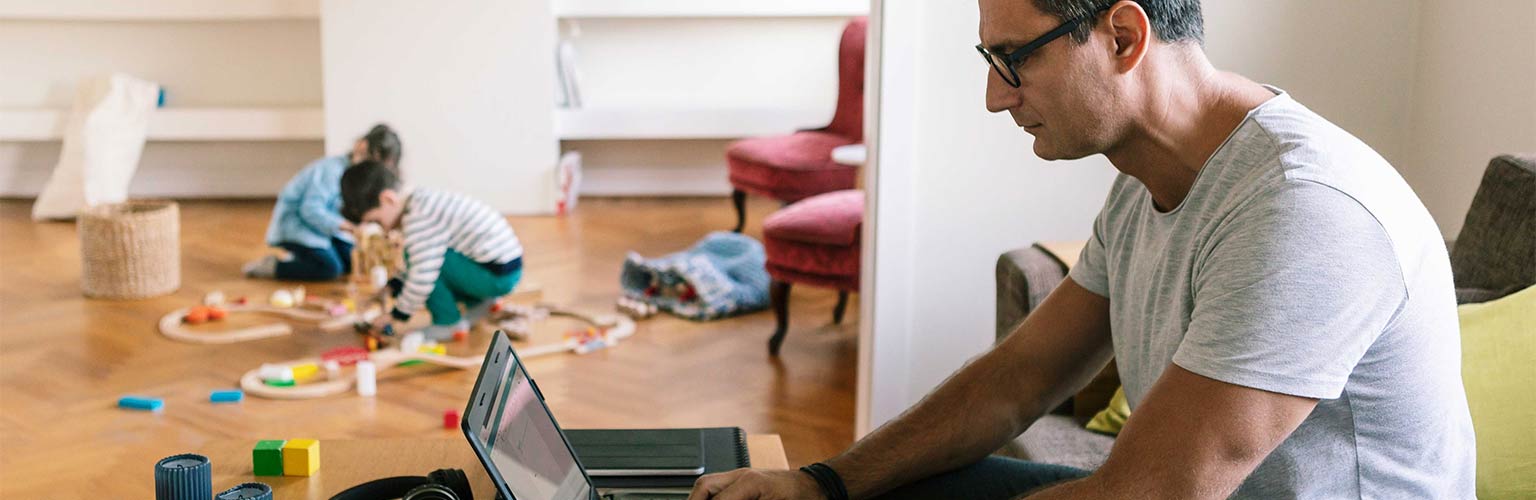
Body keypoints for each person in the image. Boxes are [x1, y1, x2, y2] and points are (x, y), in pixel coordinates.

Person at [688, 1, 1476, 499]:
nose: (995, 95)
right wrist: (820, 485)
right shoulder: (1145, 178)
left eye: (1013, 58)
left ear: (1124, 36)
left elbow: (1150, 495)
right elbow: (1016, 379)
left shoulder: (1305, 208)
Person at [339, 160, 524, 340]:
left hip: (497, 275)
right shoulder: (419, 200)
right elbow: (419, 257)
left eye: (377, 221)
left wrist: (395, 316)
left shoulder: (418, 218)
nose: (384, 230)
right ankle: (481, 302)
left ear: (388, 199)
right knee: (422, 256)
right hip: (502, 267)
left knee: (426, 267)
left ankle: (448, 323)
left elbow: (422, 277)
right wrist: (392, 287)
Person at [244, 124, 403, 281]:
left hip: (323, 229)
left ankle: (309, 255)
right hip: (296, 226)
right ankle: (276, 266)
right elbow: (310, 210)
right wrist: (351, 227)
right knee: (330, 268)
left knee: (349, 261)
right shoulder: (331, 170)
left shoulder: (358, 180)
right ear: (361, 147)